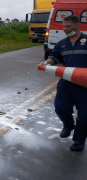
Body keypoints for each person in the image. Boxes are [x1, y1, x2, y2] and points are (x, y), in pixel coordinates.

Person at [37, 15, 87, 151]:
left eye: (68, 26)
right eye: (63, 26)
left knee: (84, 117)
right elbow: (54, 57)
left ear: (77, 25)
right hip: (66, 83)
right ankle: (69, 125)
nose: (64, 29)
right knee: (60, 108)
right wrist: (46, 63)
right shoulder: (62, 43)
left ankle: (79, 141)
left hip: (84, 85)